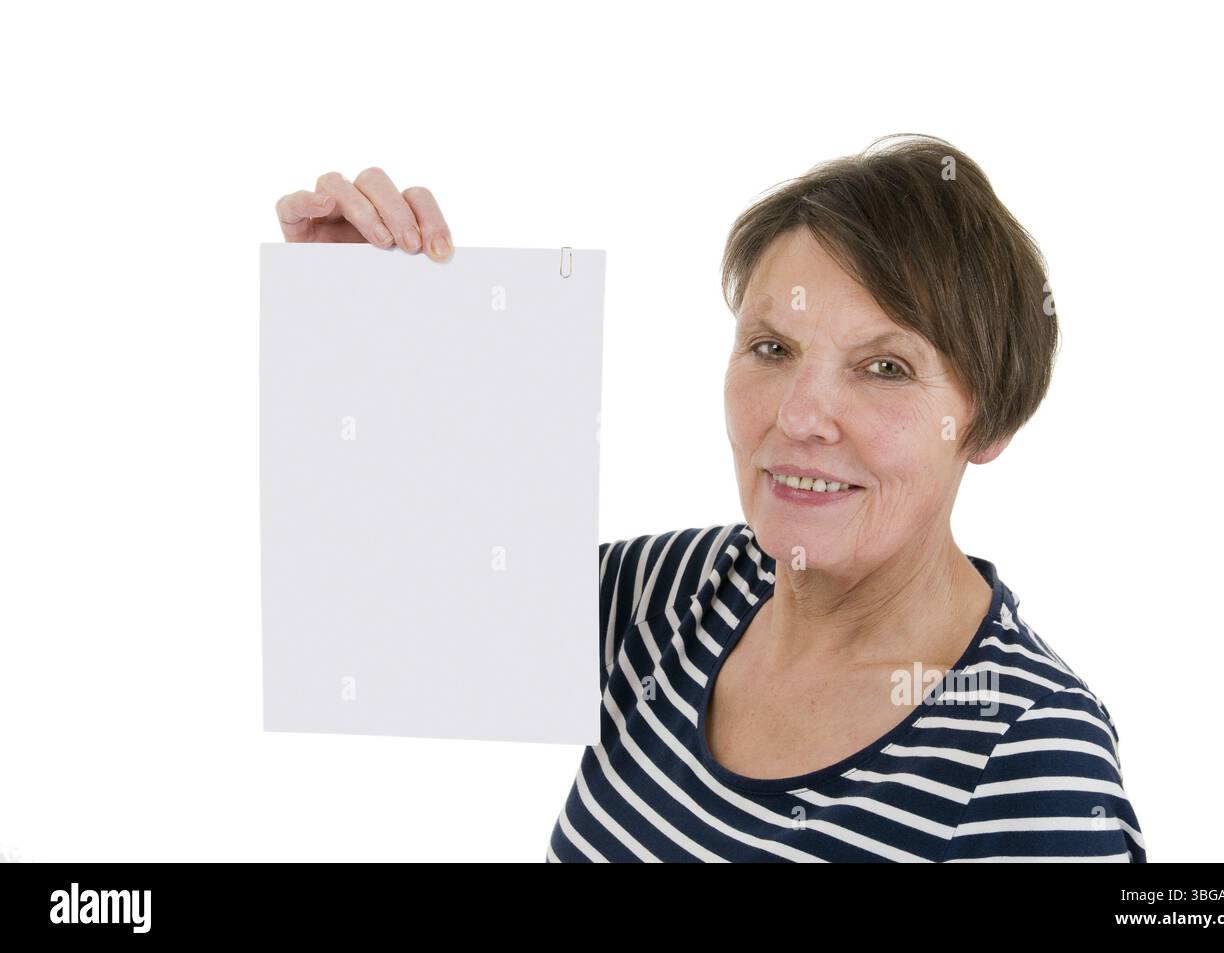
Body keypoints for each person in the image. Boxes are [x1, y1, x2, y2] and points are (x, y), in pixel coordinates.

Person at [275, 135, 1146, 862]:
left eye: (885, 367)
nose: (801, 416)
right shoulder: (677, 590)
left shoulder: (1032, 756)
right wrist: (359, 330)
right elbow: (374, 628)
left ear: (988, 422)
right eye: (771, 347)